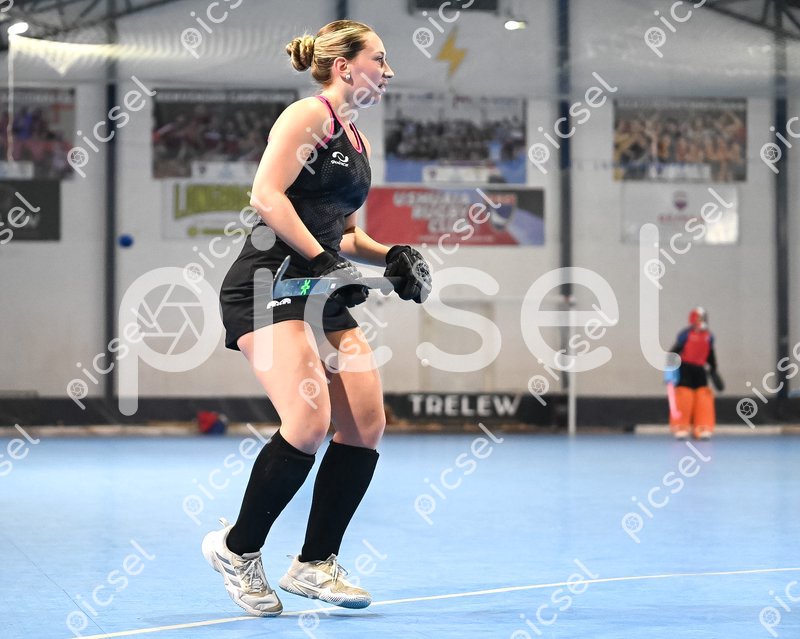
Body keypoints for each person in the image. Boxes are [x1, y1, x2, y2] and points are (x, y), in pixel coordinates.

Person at [201, 20, 431, 617]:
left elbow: (347, 234)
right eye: (379, 59)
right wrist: (324, 259)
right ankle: (236, 550)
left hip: (317, 282)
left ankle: (314, 563)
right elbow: (266, 195)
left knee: (365, 423)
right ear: (344, 65)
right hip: (268, 279)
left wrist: (392, 255)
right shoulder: (309, 116)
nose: (388, 71)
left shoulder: (357, 139)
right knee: (307, 421)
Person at [664, 307, 723, 440]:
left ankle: (702, 427)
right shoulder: (686, 334)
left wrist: (713, 369)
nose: (702, 321)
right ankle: (681, 426)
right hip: (685, 369)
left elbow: (710, 354)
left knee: (703, 396)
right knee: (684, 396)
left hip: (700, 370)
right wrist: (669, 371)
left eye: (704, 318)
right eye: (700, 318)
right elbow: (674, 351)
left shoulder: (709, 336)